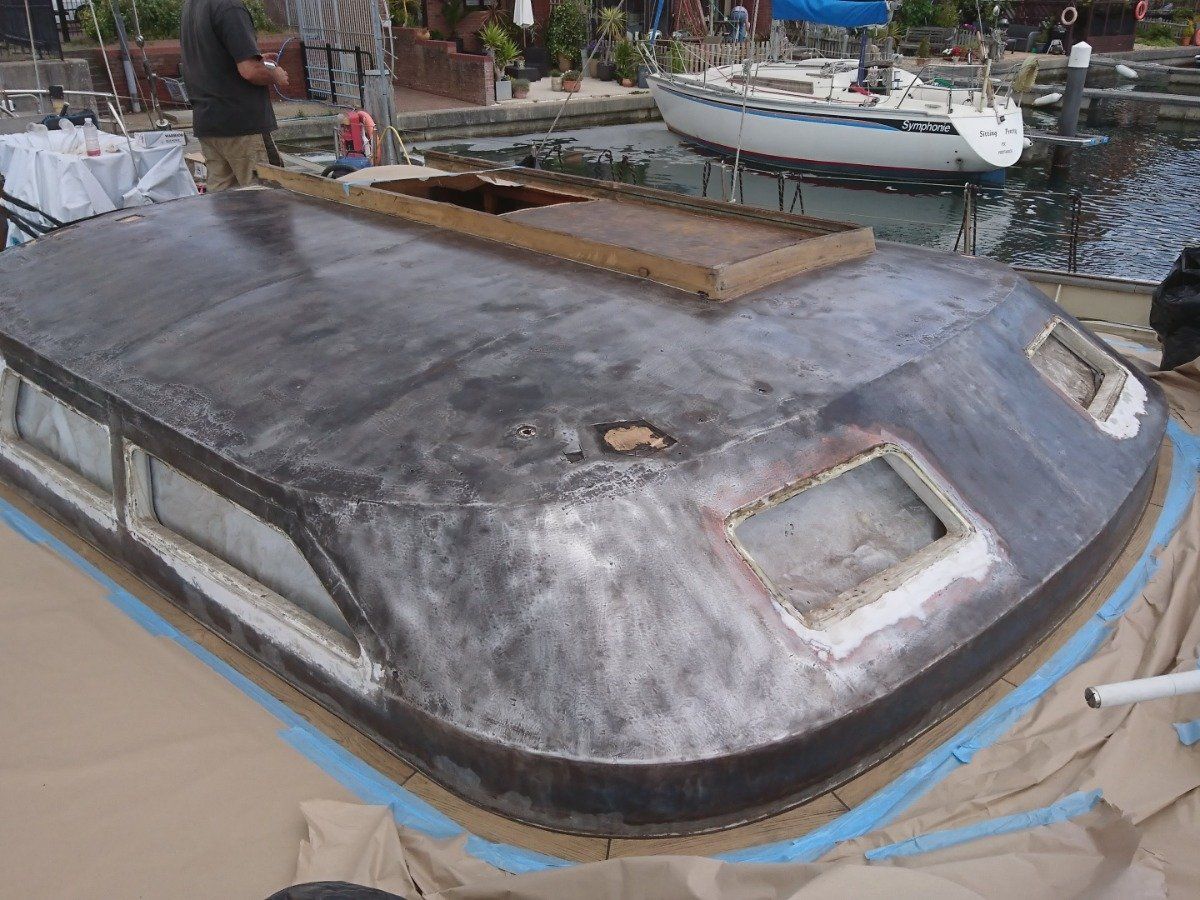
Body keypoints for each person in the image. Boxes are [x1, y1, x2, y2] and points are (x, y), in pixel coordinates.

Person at [180, 0, 289, 192]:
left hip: (208, 123)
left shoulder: (192, 6)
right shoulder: (230, 6)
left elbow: (210, 57)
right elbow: (250, 71)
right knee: (268, 197)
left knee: (224, 203)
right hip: (242, 125)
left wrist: (252, 57)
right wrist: (276, 74)